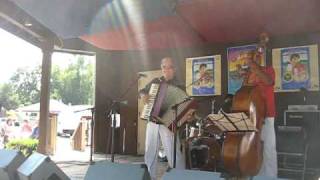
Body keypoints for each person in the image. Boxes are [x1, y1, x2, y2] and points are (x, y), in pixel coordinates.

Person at [139, 57, 186, 180]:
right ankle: (150, 177)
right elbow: (142, 91)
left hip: (168, 122)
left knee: (173, 152)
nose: (166, 70)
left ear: (174, 69)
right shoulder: (156, 81)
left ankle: (179, 176)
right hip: (153, 120)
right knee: (150, 151)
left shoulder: (180, 85)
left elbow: (185, 105)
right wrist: (144, 95)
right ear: (161, 68)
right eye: (164, 67)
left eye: (169, 67)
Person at [242, 51, 277, 177]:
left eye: (253, 58)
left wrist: (254, 67)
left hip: (267, 115)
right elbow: (244, 90)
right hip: (252, 115)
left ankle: (271, 177)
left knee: (268, 149)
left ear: (259, 58)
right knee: (254, 149)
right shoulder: (249, 74)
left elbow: (268, 81)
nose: (251, 60)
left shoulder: (268, 70)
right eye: (249, 58)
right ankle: (256, 175)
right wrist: (246, 75)